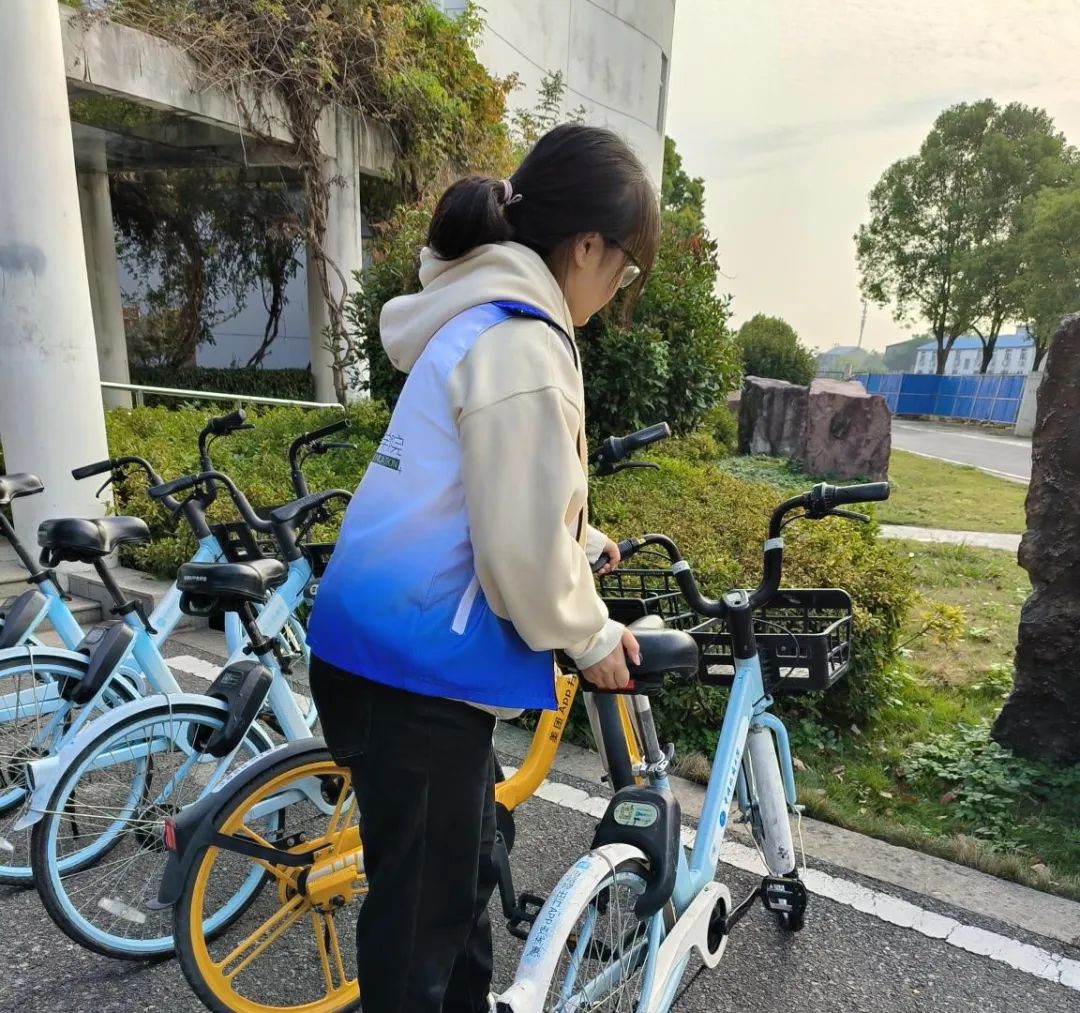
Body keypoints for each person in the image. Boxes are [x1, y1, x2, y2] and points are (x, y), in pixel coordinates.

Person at [306, 123, 661, 1012]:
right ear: (588, 245)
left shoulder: (480, 319)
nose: (618, 286)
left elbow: (486, 495)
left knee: (456, 891)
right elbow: (519, 559)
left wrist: (578, 542)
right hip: (415, 675)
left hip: (385, 656)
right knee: (421, 939)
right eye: (627, 267)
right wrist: (592, 637)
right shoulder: (524, 343)